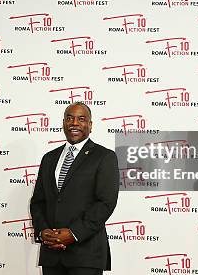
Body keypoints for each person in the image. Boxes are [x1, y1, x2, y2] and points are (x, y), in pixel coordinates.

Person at [30, 102, 120, 275]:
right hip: (52, 255)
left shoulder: (104, 157)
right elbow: (38, 202)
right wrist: (43, 232)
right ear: (63, 123)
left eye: (81, 119)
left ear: (90, 125)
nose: (75, 123)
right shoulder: (49, 158)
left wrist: (73, 233)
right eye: (70, 118)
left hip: (85, 255)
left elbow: (105, 203)